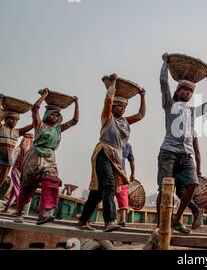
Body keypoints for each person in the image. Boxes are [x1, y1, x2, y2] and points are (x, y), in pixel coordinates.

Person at [156, 54, 207, 234]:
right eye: (184, 90)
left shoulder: (192, 111)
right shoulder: (169, 104)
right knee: (165, 188)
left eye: (190, 92)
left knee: (191, 186)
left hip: (187, 155)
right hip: (168, 152)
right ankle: (161, 223)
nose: (188, 93)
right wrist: (165, 64)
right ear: (177, 91)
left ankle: (176, 220)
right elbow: (163, 83)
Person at [77, 74, 146, 232]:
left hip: (116, 157)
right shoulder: (107, 118)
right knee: (109, 185)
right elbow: (107, 101)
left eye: (124, 107)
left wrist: (142, 96)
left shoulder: (125, 122)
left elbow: (141, 115)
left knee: (98, 192)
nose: (121, 109)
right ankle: (110, 221)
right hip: (104, 152)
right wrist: (113, 83)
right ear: (113, 107)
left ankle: (83, 220)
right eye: (119, 106)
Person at [14, 88, 79, 225]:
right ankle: (19, 214)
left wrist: (76, 103)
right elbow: (35, 109)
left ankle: (44, 214)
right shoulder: (39, 125)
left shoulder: (58, 129)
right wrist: (44, 95)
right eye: (52, 115)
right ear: (47, 114)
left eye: (57, 116)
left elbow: (74, 121)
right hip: (34, 157)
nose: (55, 117)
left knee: (52, 181)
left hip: (50, 158)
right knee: (27, 187)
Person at [0, 94, 33, 191]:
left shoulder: (17, 132)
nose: (14, 121)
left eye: (16, 120)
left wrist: (35, 112)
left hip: (7, 162)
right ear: (5, 119)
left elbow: (32, 125)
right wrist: (1, 101)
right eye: (11, 118)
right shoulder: (1, 128)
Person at [1, 133, 34, 213]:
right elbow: (12, 161)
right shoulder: (19, 149)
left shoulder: (30, 152)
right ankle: (20, 207)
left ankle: (7, 208)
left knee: (14, 190)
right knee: (18, 188)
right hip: (16, 171)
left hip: (23, 173)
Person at [115, 142, 136, 227]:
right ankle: (115, 219)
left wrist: (133, 173)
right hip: (111, 172)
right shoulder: (111, 142)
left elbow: (132, 160)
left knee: (123, 195)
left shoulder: (128, 146)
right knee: (107, 194)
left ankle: (122, 219)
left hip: (120, 174)